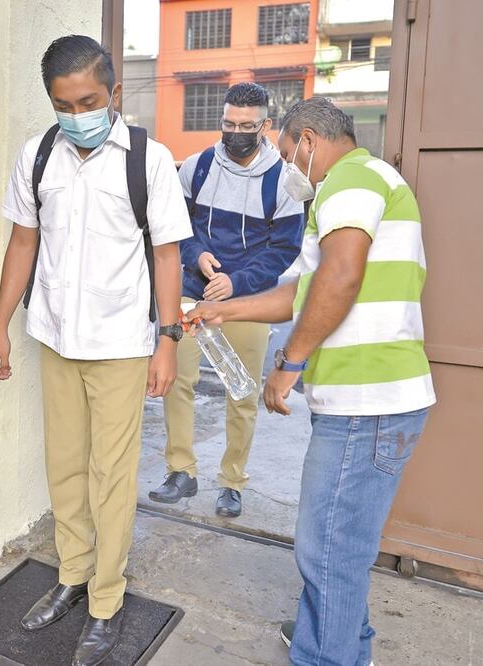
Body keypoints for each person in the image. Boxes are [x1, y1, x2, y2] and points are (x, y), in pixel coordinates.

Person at [186, 97, 435, 666]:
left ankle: (326, 656)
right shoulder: (346, 190)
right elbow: (298, 291)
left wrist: (289, 363)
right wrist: (224, 311)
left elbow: (341, 276)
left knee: (325, 547)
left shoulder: (352, 181)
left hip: (366, 400)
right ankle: (345, 641)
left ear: (307, 141)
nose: (286, 166)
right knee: (340, 544)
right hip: (367, 400)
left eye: (285, 152)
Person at [0, 35, 190, 666]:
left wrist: (168, 340)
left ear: (114, 94)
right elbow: (23, 243)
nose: (78, 116)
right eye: (63, 104)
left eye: (89, 101)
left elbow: (166, 255)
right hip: (56, 337)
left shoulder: (148, 161)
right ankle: (73, 574)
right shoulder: (38, 156)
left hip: (123, 344)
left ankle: (106, 599)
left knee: (111, 476)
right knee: (65, 467)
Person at [148, 82, 304, 518]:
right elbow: (175, 227)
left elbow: (284, 248)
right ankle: (181, 470)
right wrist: (197, 257)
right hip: (192, 292)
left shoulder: (286, 182)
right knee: (175, 377)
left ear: (265, 126)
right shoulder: (195, 167)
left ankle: (232, 480)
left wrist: (236, 282)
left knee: (242, 390)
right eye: (229, 124)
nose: (236, 132)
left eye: (247, 126)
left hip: (247, 300)